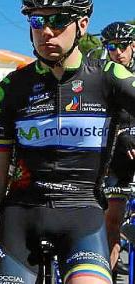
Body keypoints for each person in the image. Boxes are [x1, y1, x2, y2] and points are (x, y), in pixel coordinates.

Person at [0, 1, 135, 284]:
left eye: (58, 20)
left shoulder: (110, 76)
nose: (46, 31)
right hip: (21, 219)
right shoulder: (11, 89)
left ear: (82, 24)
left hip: (83, 214)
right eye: (37, 22)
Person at [101, 22, 135, 271]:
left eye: (123, 46)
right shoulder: (104, 76)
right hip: (116, 158)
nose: (118, 52)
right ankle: (108, 272)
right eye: (112, 47)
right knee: (112, 221)